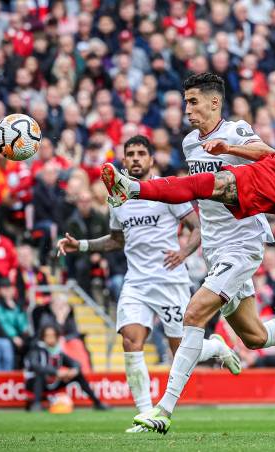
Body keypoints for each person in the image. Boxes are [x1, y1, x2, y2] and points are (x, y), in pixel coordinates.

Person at [119, 64, 275, 434]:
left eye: (193, 102)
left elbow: (273, 159)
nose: (188, 110)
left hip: (243, 242)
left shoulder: (236, 130)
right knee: (255, 337)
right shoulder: (188, 142)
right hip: (215, 247)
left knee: (195, 312)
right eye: (186, 102)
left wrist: (230, 148)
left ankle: (163, 410)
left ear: (215, 101)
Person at [58, 135, 239, 432]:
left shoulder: (165, 190)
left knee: (179, 349)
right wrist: (84, 246)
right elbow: (117, 240)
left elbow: (196, 227)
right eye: (130, 154)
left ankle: (215, 347)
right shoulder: (118, 198)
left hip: (170, 281)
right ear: (124, 160)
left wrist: (183, 252)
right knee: (130, 340)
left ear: (151, 159)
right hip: (136, 282)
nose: (136, 158)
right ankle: (145, 415)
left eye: (142, 153)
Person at [23, 324, 108, 412]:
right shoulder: (36, 349)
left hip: (52, 382)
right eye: (48, 335)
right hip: (33, 384)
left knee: (78, 375)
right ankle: (36, 404)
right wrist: (56, 372)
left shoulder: (58, 352)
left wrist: (74, 370)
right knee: (39, 375)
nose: (50, 338)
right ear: (43, 337)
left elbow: (75, 363)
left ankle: (97, 403)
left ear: (57, 336)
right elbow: (35, 365)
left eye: (53, 335)